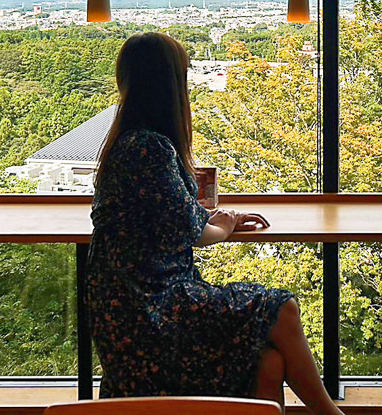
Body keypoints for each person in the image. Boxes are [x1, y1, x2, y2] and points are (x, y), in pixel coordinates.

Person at [86, 32, 344, 415]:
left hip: (132, 309)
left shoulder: (130, 144)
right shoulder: (149, 148)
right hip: (149, 313)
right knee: (283, 308)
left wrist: (216, 220)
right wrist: (224, 225)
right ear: (170, 84)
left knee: (270, 363)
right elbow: (196, 232)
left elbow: (169, 216)